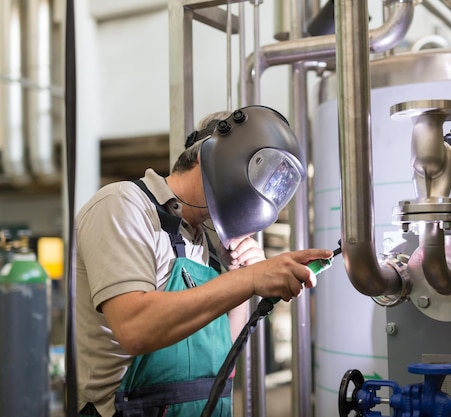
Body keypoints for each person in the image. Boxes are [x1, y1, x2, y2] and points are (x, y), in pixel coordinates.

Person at [75, 106, 332, 417]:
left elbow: (220, 354)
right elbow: (135, 328)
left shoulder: (208, 239)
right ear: (205, 154)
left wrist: (239, 282)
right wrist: (247, 280)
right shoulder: (123, 205)